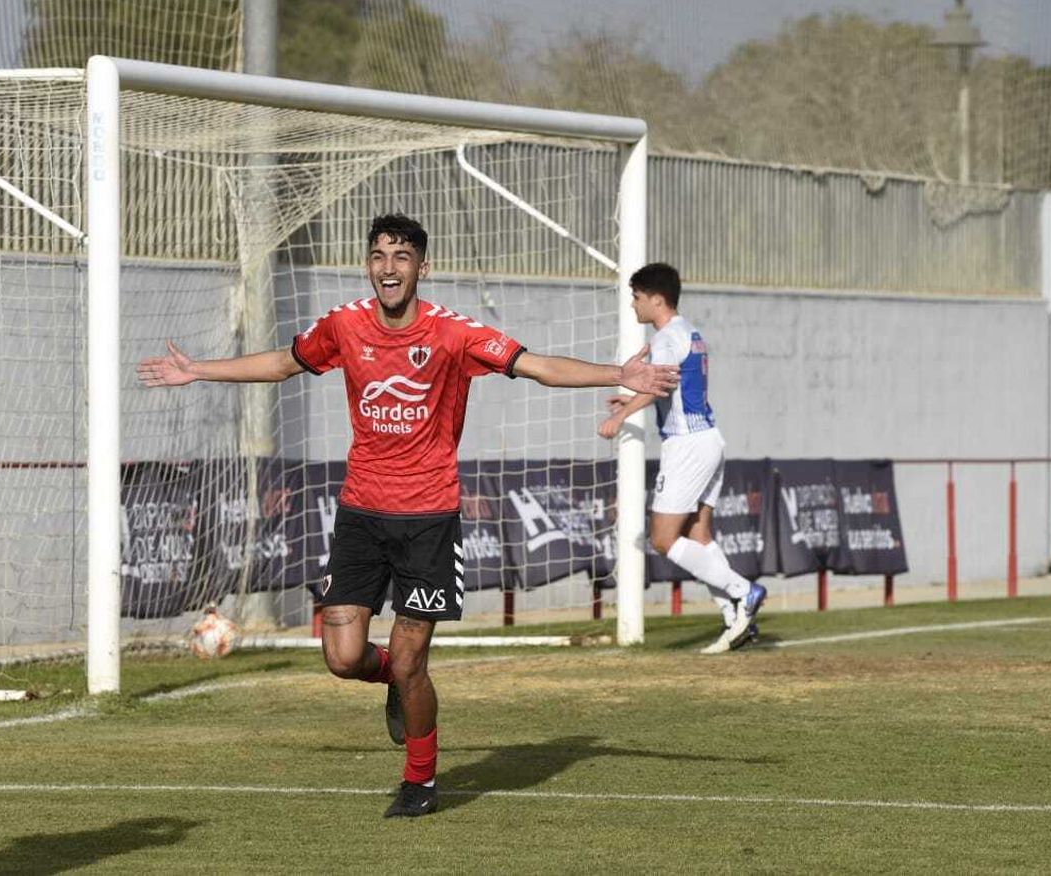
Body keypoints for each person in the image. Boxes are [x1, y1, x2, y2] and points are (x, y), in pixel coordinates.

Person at [139, 213, 676, 818]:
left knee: (415, 659)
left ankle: (420, 781)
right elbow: (285, 363)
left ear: (423, 267)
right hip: (360, 515)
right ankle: (393, 680)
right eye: (378, 256)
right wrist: (199, 371)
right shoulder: (344, 325)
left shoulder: (453, 333)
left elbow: (538, 366)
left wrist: (618, 374)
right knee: (343, 658)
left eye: (400, 257)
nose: (387, 267)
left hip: (429, 519)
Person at [597, 262, 765, 654]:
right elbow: (675, 386)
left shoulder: (666, 337)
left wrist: (621, 415)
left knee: (662, 539)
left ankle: (745, 591)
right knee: (698, 536)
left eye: (637, 297)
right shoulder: (691, 332)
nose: (633, 305)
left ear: (657, 299)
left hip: (687, 445)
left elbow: (660, 382)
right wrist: (633, 400)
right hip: (709, 437)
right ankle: (736, 618)